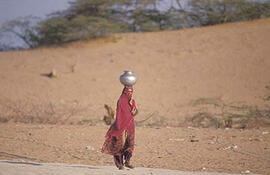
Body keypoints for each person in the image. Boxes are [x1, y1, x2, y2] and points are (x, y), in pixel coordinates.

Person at [102, 87, 138, 170]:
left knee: (130, 144)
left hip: (130, 126)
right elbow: (119, 114)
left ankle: (127, 162)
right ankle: (119, 164)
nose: (129, 94)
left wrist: (133, 109)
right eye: (127, 92)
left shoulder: (132, 101)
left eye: (131, 92)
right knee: (119, 145)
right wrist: (119, 126)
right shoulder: (121, 101)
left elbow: (134, 112)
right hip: (121, 125)